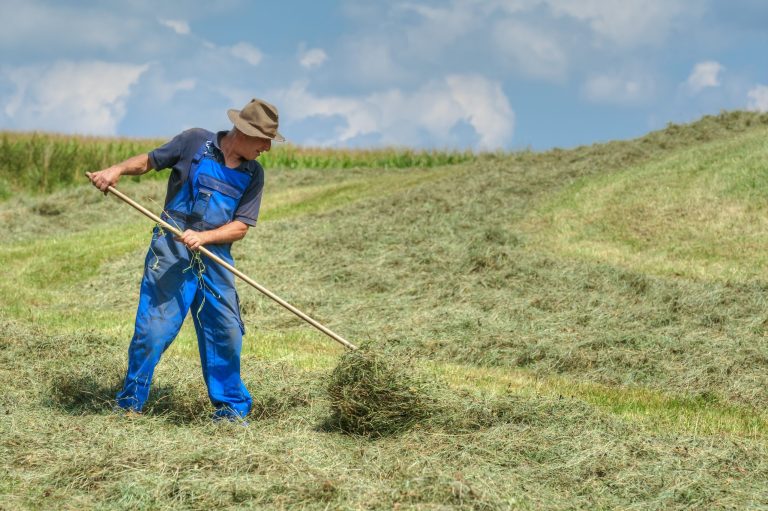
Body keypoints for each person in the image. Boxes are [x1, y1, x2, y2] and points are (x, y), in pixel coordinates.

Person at [87, 98, 284, 421]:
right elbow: (149, 161)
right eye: (265, 140)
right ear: (246, 132)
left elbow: (240, 227)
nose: (267, 148)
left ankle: (231, 410)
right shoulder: (195, 142)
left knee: (226, 332)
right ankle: (130, 403)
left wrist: (204, 237)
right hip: (172, 249)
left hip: (214, 257)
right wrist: (116, 170)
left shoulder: (253, 173)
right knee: (154, 329)